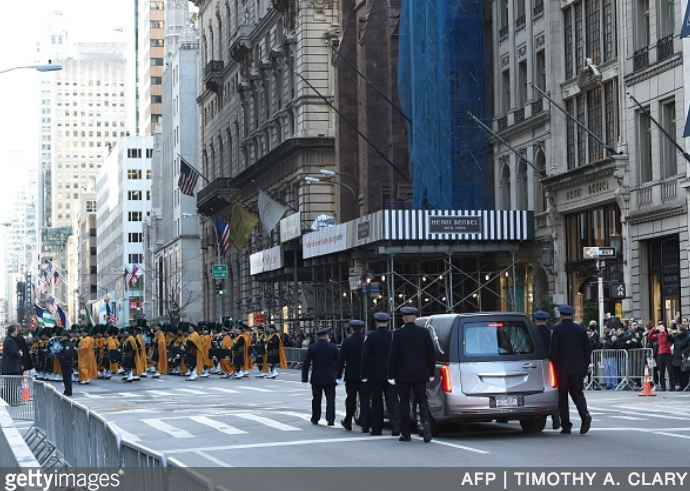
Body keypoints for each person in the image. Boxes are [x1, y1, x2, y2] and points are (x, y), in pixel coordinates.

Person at [388, 306, 435, 443]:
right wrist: (431, 372)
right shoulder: (424, 332)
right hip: (421, 373)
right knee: (422, 399)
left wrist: (391, 375)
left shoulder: (398, 334)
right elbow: (430, 354)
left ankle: (406, 433)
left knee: (404, 403)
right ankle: (426, 422)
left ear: (403, 318)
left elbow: (393, 356)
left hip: (403, 375)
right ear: (415, 318)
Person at [548, 305, 592, 435]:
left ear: (561, 315)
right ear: (572, 316)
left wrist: (552, 365)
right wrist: (584, 367)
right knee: (578, 393)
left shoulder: (557, 329)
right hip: (578, 368)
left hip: (562, 369)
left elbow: (553, 352)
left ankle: (566, 425)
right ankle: (585, 414)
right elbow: (587, 350)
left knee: (562, 397)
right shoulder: (580, 329)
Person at [361, 312, 401, 436]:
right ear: (387, 322)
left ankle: (377, 428)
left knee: (377, 401)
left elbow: (365, 357)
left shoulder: (371, 337)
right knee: (393, 400)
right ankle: (396, 425)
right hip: (391, 373)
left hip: (375, 373)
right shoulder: (393, 336)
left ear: (376, 323)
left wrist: (364, 374)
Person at [336, 320, 370, 432]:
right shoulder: (366, 340)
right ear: (362, 329)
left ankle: (348, 421)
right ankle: (365, 424)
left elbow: (341, 360)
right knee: (364, 399)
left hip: (351, 374)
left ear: (351, 329)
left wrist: (338, 375)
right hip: (365, 374)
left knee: (351, 398)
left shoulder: (347, 341)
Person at [301, 327, 339, 426]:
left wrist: (304, 378)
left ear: (318, 337)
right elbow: (339, 363)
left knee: (316, 399)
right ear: (327, 336)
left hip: (317, 377)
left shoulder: (312, 347)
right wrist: (338, 375)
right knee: (330, 399)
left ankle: (315, 418)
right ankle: (330, 418)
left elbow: (306, 363)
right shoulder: (333, 347)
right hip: (330, 377)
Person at [533, 310, 561, 429]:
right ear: (547, 320)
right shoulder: (551, 333)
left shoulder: (533, 333)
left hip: (536, 364)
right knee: (551, 388)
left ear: (536, 320)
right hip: (550, 363)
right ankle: (555, 415)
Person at [648, 322, 674, 391]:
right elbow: (649, 337)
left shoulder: (666, 334)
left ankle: (672, 387)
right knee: (661, 371)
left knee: (670, 370)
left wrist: (667, 332)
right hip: (660, 354)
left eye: (663, 327)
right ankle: (663, 387)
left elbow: (669, 338)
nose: (662, 328)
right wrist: (653, 329)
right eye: (660, 327)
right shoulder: (657, 335)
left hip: (667, 353)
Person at [58, 329, 77, 397]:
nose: (62, 337)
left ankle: (68, 391)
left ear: (66, 337)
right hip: (64, 363)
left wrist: (62, 359)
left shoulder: (68, 344)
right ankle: (66, 390)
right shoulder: (64, 344)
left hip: (67, 363)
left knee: (67, 378)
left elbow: (67, 354)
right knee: (65, 378)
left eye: (63, 336)